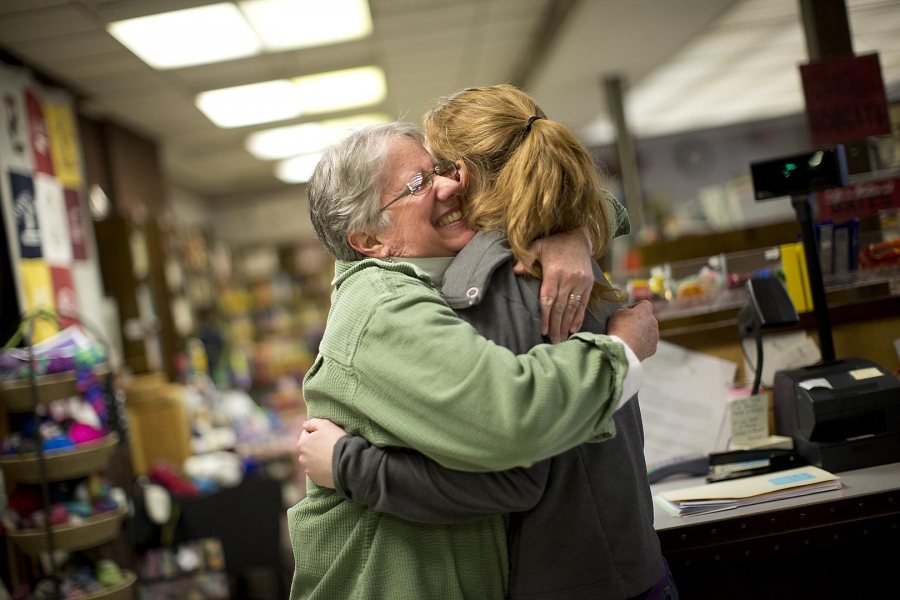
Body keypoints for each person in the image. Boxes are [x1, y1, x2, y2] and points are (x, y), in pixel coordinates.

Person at [297, 85, 676, 599]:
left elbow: (582, 201)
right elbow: (512, 433)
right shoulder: (389, 303)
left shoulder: (502, 262)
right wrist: (621, 350)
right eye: (418, 183)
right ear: (369, 241)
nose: (448, 188)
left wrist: (575, 231)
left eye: (442, 171)